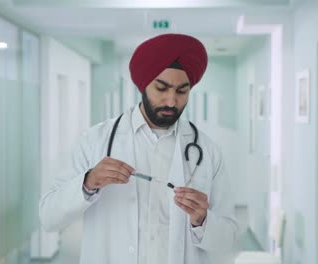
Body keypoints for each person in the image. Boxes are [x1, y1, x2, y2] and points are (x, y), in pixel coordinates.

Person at [39, 33, 239, 264]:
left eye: (182, 91)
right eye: (161, 88)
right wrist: (88, 182)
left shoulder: (206, 151)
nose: (171, 101)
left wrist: (202, 219)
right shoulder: (95, 140)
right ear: (144, 85)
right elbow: (49, 218)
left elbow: (228, 239)